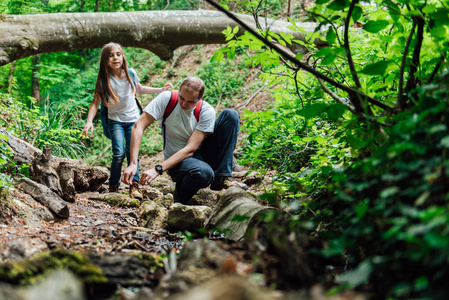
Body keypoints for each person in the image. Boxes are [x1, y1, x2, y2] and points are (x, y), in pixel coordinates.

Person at [122, 76, 240, 204]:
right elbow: (138, 126)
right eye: (182, 98)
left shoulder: (206, 111)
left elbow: (191, 149)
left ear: (200, 98)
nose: (184, 104)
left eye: (190, 102)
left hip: (198, 154)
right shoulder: (167, 99)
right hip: (177, 162)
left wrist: (158, 169)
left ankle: (221, 178)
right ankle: (181, 197)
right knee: (203, 173)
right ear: (179, 91)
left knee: (230, 115)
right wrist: (133, 163)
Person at [82, 42, 173, 200]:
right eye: (111, 55)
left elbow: (140, 89)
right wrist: (89, 121)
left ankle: (134, 186)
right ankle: (114, 186)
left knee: (133, 155)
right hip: (115, 121)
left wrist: (160, 90)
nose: (115, 58)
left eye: (118, 54)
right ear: (105, 61)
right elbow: (95, 102)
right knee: (118, 154)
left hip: (134, 120)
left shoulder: (130, 73)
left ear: (123, 56)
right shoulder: (105, 80)